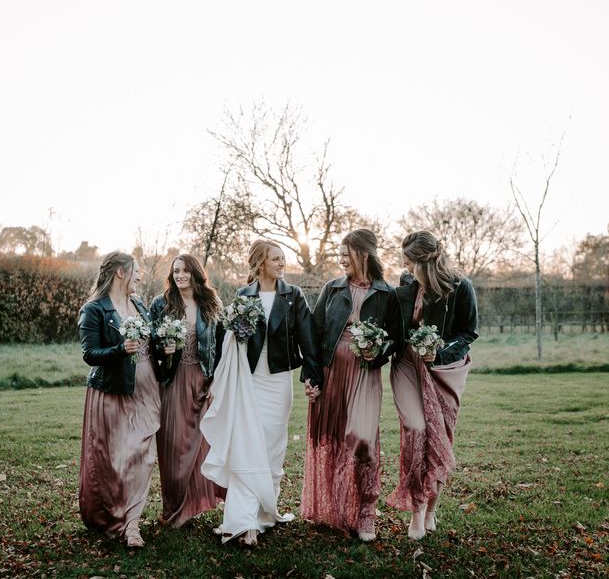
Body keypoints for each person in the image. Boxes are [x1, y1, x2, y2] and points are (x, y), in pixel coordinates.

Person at [201, 239, 322, 545]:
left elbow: (308, 340)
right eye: (276, 259)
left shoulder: (292, 295)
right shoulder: (244, 295)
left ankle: (264, 512)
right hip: (250, 382)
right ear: (260, 264)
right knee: (246, 447)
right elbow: (229, 338)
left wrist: (312, 376)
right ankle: (245, 522)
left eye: (283, 259)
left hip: (278, 382)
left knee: (271, 448)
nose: (282, 263)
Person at [301, 228, 402, 542]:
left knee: (362, 440)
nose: (341, 259)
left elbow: (397, 337)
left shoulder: (387, 294)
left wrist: (379, 351)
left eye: (346, 254)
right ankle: (336, 508)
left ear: (364, 254)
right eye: (339, 254)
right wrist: (311, 377)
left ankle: (366, 514)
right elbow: (314, 334)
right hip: (332, 374)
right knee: (332, 438)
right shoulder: (333, 289)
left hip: (364, 375)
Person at [387, 230, 478, 538]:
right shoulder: (406, 282)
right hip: (407, 366)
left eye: (408, 262)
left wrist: (439, 351)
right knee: (415, 431)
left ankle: (431, 509)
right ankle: (414, 513)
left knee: (440, 436)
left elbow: (468, 333)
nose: (405, 267)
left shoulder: (460, 287)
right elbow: (398, 325)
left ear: (424, 262)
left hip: (444, 370)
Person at [78, 251, 162, 548]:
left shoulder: (139, 304)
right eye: (136, 271)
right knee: (118, 460)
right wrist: (118, 350)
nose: (140, 276)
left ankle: (134, 524)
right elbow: (90, 354)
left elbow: (150, 344)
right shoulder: (95, 309)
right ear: (120, 273)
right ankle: (118, 518)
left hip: (145, 388)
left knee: (145, 455)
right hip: (112, 391)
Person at [149, 254, 224, 527]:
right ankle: (173, 508)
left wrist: (216, 380)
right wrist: (162, 349)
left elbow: (219, 345)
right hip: (172, 380)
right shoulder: (161, 304)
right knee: (173, 444)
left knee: (200, 444)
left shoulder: (210, 303)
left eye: (184, 271)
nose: (180, 275)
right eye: (175, 271)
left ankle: (192, 505)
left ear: (195, 273)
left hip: (202, 380)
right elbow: (150, 343)